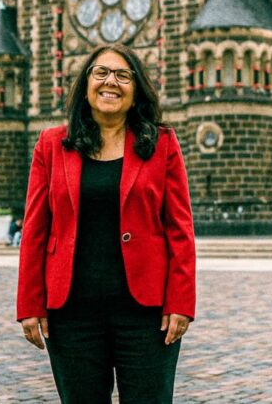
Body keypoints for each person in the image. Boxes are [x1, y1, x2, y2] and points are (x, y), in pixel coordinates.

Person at [16, 44, 196, 404]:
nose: (110, 82)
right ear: (85, 84)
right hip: (71, 314)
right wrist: (29, 303)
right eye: (100, 73)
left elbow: (180, 229)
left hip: (146, 315)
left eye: (122, 75)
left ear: (136, 88)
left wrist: (181, 302)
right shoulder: (52, 145)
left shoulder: (162, 144)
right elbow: (35, 228)